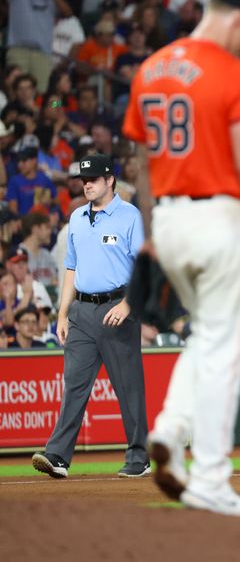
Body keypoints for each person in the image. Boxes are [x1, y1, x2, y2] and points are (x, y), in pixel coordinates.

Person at [123, 0, 240, 517]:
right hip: (221, 218)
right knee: (226, 352)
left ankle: (172, 429)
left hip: (172, 218)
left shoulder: (150, 68)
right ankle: (212, 479)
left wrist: (154, 230)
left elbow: (140, 162)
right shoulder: (233, 73)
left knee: (206, 336)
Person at [31, 154, 149, 481]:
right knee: (74, 386)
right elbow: (71, 267)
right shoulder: (78, 218)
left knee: (128, 388)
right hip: (81, 311)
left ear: (110, 180)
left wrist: (128, 305)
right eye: (84, 179)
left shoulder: (129, 216)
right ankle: (57, 455)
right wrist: (63, 313)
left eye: (94, 179)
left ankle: (139, 455)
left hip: (117, 307)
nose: (87, 184)